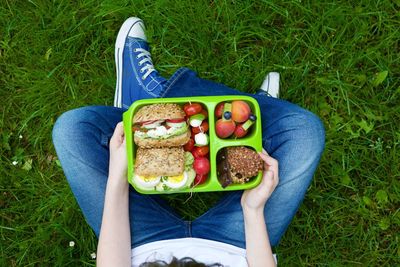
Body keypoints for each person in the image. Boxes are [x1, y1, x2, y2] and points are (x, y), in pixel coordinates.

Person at [52, 18, 325, 266]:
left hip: (138, 243)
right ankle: (249, 109)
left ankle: (148, 96)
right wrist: (252, 211)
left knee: (73, 130)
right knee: (304, 132)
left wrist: (118, 180)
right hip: (236, 243)